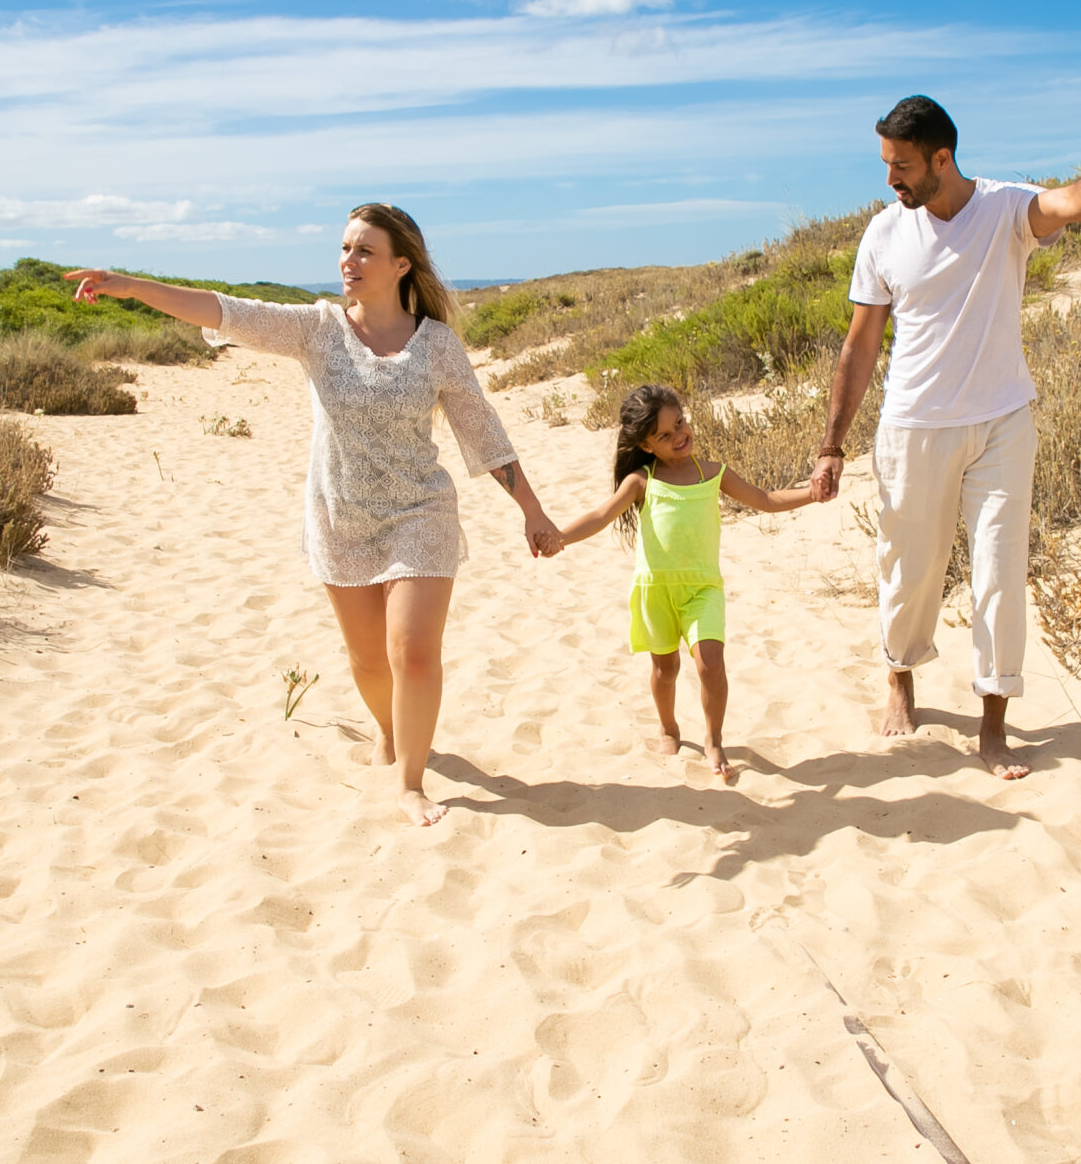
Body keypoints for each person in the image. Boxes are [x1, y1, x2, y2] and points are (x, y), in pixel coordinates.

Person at [63, 204, 562, 826]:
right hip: (341, 513)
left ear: (401, 264)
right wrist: (132, 286)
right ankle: (389, 728)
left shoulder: (436, 345)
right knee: (368, 661)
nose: (347, 262)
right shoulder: (316, 330)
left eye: (364, 251)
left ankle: (411, 783)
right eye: (345, 248)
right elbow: (223, 310)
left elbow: (482, 431)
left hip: (420, 512)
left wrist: (532, 510)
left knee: (410, 651)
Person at [807, 96, 1081, 780]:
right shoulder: (884, 235)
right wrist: (832, 443)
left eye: (902, 167)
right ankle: (900, 675)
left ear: (941, 159)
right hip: (915, 426)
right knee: (909, 572)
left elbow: (1070, 203)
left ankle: (994, 725)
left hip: (1003, 422)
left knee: (1000, 576)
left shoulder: (1007, 209)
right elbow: (859, 347)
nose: (891, 180)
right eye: (887, 165)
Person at [546, 384, 819, 781]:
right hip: (655, 591)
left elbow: (766, 499)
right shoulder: (642, 481)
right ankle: (669, 727)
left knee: (710, 663)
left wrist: (812, 493)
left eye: (681, 423)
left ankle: (714, 739)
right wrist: (561, 538)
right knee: (665, 669)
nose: (680, 436)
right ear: (646, 445)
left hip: (702, 589)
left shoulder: (713, 473)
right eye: (666, 435)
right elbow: (601, 514)